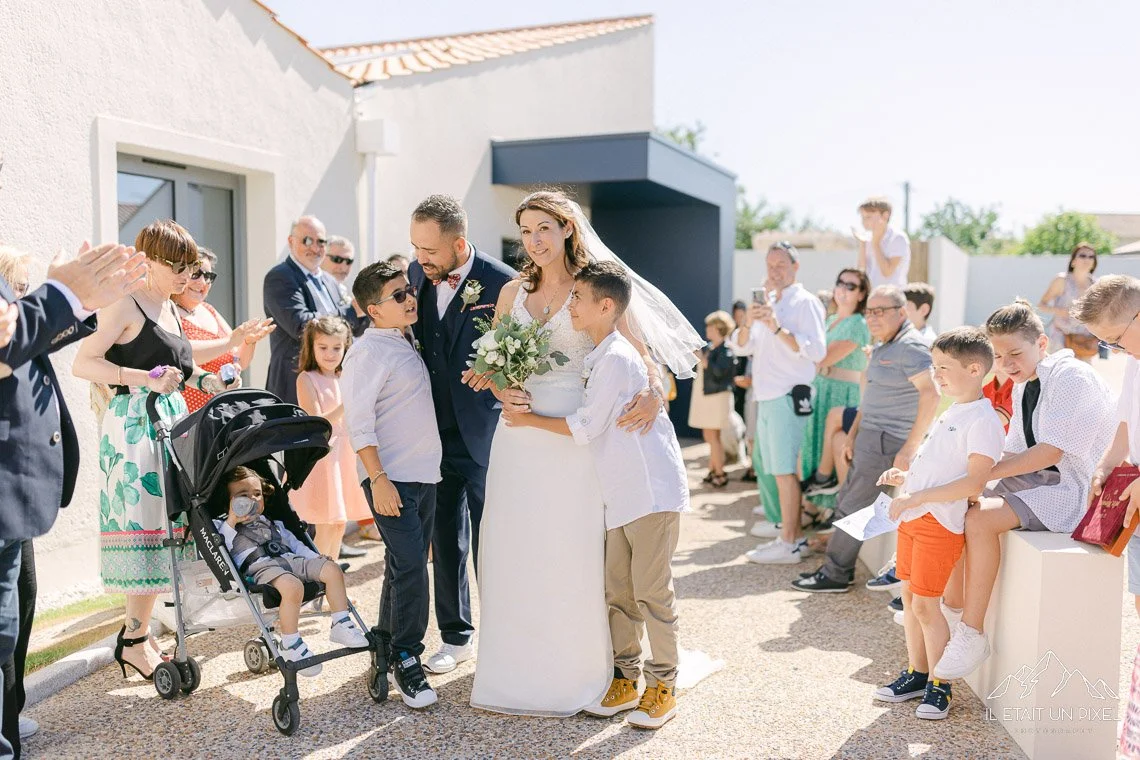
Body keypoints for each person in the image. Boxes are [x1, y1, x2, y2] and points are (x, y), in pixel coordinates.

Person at [467, 190, 699, 717]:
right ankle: (520, 666)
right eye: (525, 231)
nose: (534, 241)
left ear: (567, 227)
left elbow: (646, 359)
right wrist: (503, 389)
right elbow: (498, 368)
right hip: (520, 440)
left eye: (544, 228)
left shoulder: (596, 289)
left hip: (580, 442)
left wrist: (650, 392)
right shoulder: (510, 294)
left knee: (578, 553)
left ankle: (597, 669)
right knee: (516, 546)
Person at [505, 262, 688, 729]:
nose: (571, 305)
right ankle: (625, 677)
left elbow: (586, 428)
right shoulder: (601, 356)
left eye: (579, 299)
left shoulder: (620, 359)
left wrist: (527, 422)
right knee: (618, 591)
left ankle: (663, 685)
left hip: (649, 493)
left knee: (652, 593)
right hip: (620, 493)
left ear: (605, 306)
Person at [73, 221, 239, 681]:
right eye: (180, 267)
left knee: (168, 529)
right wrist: (142, 379)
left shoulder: (167, 306)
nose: (188, 276)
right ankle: (133, 640)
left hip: (168, 419)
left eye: (193, 267)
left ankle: (138, 636)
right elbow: (83, 362)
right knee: (148, 530)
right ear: (150, 261)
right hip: (133, 427)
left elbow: (176, 366)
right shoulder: (125, 304)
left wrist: (204, 377)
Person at [0, 240, 146, 760]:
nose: (21, 303)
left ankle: (9, 717)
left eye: (23, 291)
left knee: (19, 603)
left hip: (18, 493)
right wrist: (64, 294)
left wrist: (84, 300)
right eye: (18, 291)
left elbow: (42, 334)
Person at [934, 300, 1113, 680]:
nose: (1006, 363)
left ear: (1042, 343)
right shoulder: (1024, 384)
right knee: (954, 498)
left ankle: (971, 633)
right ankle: (942, 603)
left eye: (1015, 352)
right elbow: (1014, 448)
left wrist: (982, 476)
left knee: (979, 519)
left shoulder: (1070, 378)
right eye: (998, 356)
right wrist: (969, 476)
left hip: (1076, 489)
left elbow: (1051, 451)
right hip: (1042, 477)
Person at [403, 195, 515, 675]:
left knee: (497, 536)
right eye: (415, 247)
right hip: (432, 430)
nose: (421, 259)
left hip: (487, 430)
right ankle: (455, 636)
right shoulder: (414, 276)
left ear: (459, 243)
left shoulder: (502, 282)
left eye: (429, 250)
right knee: (444, 537)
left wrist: (498, 373)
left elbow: (524, 353)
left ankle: (507, 632)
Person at [872, 328, 1004, 720]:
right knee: (911, 600)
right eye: (935, 366)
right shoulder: (953, 409)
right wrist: (905, 481)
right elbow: (938, 469)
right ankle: (917, 673)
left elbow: (974, 483)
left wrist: (918, 497)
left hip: (937, 523)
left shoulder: (982, 419)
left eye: (944, 367)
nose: (937, 375)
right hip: (914, 516)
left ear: (975, 368)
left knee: (928, 606)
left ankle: (940, 686)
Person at [343, 261, 443, 709]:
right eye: (397, 296)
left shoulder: (403, 340)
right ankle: (407, 657)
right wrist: (378, 479)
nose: (409, 299)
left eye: (409, 291)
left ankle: (382, 647)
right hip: (393, 479)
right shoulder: (367, 353)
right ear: (372, 310)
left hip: (424, 475)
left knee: (403, 566)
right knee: (411, 568)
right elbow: (358, 424)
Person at [793, 285, 939, 592]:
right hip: (869, 436)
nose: (872, 318)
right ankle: (837, 570)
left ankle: (835, 573)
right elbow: (868, 397)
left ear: (901, 312)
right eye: (869, 311)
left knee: (854, 506)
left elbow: (931, 393)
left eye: (880, 311)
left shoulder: (912, 347)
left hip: (888, 441)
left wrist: (910, 447)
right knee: (847, 500)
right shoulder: (885, 345)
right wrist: (853, 435)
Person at [1069, 276, 1140, 757]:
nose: (1112, 349)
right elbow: (1125, 427)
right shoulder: (1134, 365)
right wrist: (1106, 463)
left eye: (1115, 338)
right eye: (1105, 342)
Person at [215, 466, 368, 677]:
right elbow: (222, 545)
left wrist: (315, 558)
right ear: (229, 501)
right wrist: (232, 518)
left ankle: (341, 623)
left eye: (257, 494)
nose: (253, 500)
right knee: (293, 587)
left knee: (332, 570)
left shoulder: (273, 522)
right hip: (263, 567)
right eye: (243, 496)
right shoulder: (224, 526)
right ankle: (290, 643)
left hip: (290, 559)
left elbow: (296, 545)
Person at [730, 242, 827, 564]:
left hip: (789, 395)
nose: (775, 271)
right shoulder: (768, 302)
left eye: (781, 264)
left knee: (785, 472)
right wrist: (748, 321)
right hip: (767, 396)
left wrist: (776, 326)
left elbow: (816, 352)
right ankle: (786, 534)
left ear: (796, 267)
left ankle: (791, 542)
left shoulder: (806, 302)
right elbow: (742, 347)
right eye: (770, 265)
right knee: (773, 471)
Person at [291, 317, 372, 562]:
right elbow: (316, 420)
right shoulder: (307, 378)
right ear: (312, 347)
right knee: (327, 524)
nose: (330, 354)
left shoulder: (345, 376)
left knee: (339, 525)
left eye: (336, 348)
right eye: (323, 347)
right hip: (324, 459)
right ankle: (316, 579)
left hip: (345, 455)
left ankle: (330, 582)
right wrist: (346, 404)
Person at [263, 216, 367, 406]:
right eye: (307, 240)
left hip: (333, 382)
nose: (315, 247)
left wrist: (367, 310)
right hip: (295, 382)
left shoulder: (329, 280)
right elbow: (301, 324)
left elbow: (350, 331)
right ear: (291, 241)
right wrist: (351, 311)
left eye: (321, 242)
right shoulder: (280, 277)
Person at [800, 268, 871, 510]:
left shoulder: (858, 323)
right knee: (814, 445)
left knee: (829, 448)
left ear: (861, 294)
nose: (843, 289)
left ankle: (830, 510)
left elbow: (823, 358)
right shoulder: (830, 320)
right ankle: (814, 509)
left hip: (841, 392)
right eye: (840, 283)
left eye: (851, 286)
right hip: (820, 388)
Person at [176, 247, 274, 413]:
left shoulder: (209, 310)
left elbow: (239, 360)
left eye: (208, 276)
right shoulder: (169, 311)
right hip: (189, 412)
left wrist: (249, 342)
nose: (203, 282)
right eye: (196, 274)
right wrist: (230, 341)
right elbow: (183, 355)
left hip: (222, 410)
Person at [689, 310, 736, 487]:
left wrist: (704, 360)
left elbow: (720, 372)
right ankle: (713, 468)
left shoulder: (727, 349)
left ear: (718, 328)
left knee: (714, 436)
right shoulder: (710, 348)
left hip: (717, 397)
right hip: (707, 396)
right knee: (709, 435)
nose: (707, 329)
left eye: (710, 325)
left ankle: (720, 472)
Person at [1037, 242, 1100, 362]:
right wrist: (1060, 311)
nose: (1087, 259)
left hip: (1085, 342)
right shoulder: (1062, 280)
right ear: (1073, 261)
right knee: (1059, 376)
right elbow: (1041, 305)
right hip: (1061, 339)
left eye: (1091, 256)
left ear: (1094, 263)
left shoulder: (1096, 285)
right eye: (1082, 255)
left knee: (1084, 377)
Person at [855, 197, 911, 288]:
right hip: (872, 295)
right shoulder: (867, 238)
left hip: (892, 295)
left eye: (868, 217)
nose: (864, 221)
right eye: (862, 217)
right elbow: (862, 272)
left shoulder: (898, 238)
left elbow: (887, 272)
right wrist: (862, 244)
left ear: (885, 216)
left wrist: (875, 244)